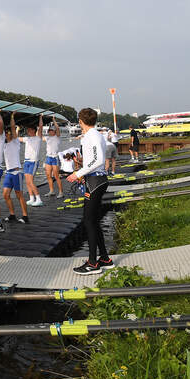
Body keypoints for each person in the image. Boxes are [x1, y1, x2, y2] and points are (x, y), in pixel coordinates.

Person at [67, 108, 113, 275]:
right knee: (93, 221)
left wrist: (77, 174)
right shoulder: (96, 135)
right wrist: (82, 165)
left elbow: (98, 160)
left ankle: (93, 263)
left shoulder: (91, 136)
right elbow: (94, 159)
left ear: (80, 121)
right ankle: (105, 259)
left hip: (95, 182)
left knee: (88, 221)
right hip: (96, 180)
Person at [2, 113, 28, 223]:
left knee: (19, 195)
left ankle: (25, 216)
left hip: (17, 173)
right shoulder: (4, 145)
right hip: (8, 173)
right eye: (5, 133)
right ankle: (12, 215)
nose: (6, 135)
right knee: (5, 195)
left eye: (7, 133)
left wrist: (12, 117)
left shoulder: (15, 142)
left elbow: (13, 128)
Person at [19, 114, 44, 206]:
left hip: (33, 162)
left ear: (34, 130)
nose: (28, 131)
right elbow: (16, 138)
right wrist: (17, 129)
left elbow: (41, 127)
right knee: (27, 181)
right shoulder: (27, 139)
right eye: (27, 130)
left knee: (30, 181)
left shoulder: (38, 138)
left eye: (29, 130)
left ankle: (39, 199)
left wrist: (40, 117)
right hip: (26, 162)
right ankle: (31, 198)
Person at [43, 115, 63, 198]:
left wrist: (53, 119)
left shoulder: (57, 137)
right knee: (48, 175)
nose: (50, 132)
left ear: (54, 132)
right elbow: (38, 135)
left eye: (52, 130)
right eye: (49, 131)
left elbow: (57, 128)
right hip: (48, 157)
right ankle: (51, 191)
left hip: (55, 158)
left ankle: (61, 192)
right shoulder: (47, 138)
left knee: (56, 176)